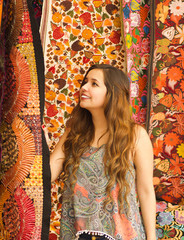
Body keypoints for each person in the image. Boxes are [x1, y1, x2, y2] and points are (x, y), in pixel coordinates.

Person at [50, 64, 156, 240]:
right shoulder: (73, 133)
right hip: (77, 234)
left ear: (112, 94)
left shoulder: (135, 135)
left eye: (94, 84)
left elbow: (145, 191)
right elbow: (49, 172)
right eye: (85, 82)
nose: (83, 87)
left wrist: (152, 238)